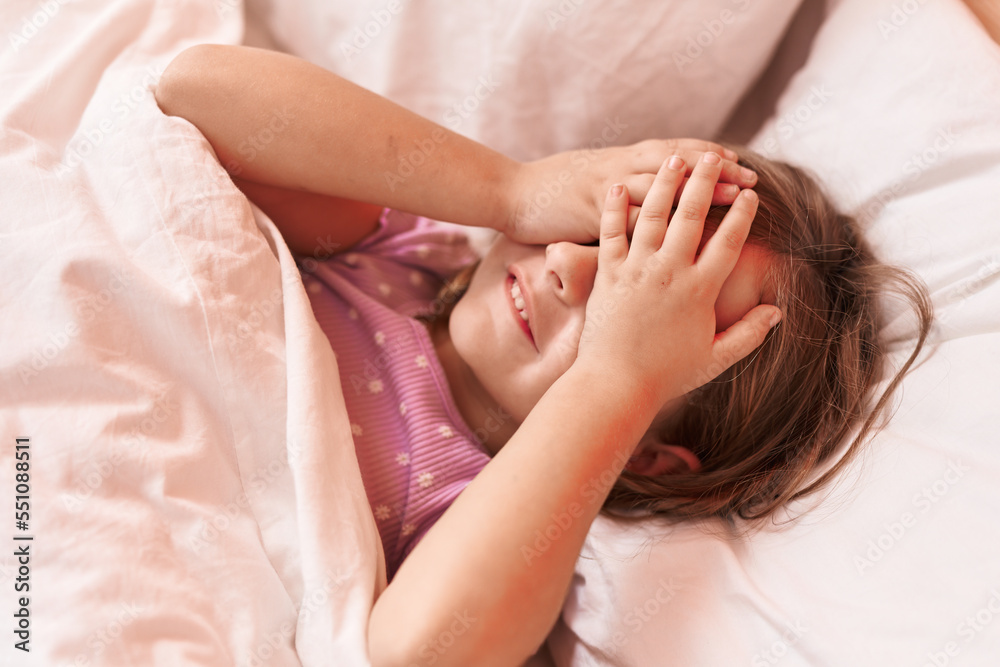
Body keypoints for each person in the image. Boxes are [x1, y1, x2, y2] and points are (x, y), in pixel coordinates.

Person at [155, 44, 931, 666]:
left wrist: (615, 377)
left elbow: (414, 652)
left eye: (634, 302)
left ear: (653, 450)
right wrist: (509, 189)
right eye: (609, 226)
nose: (570, 266)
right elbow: (193, 93)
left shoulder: (504, 521)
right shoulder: (394, 254)